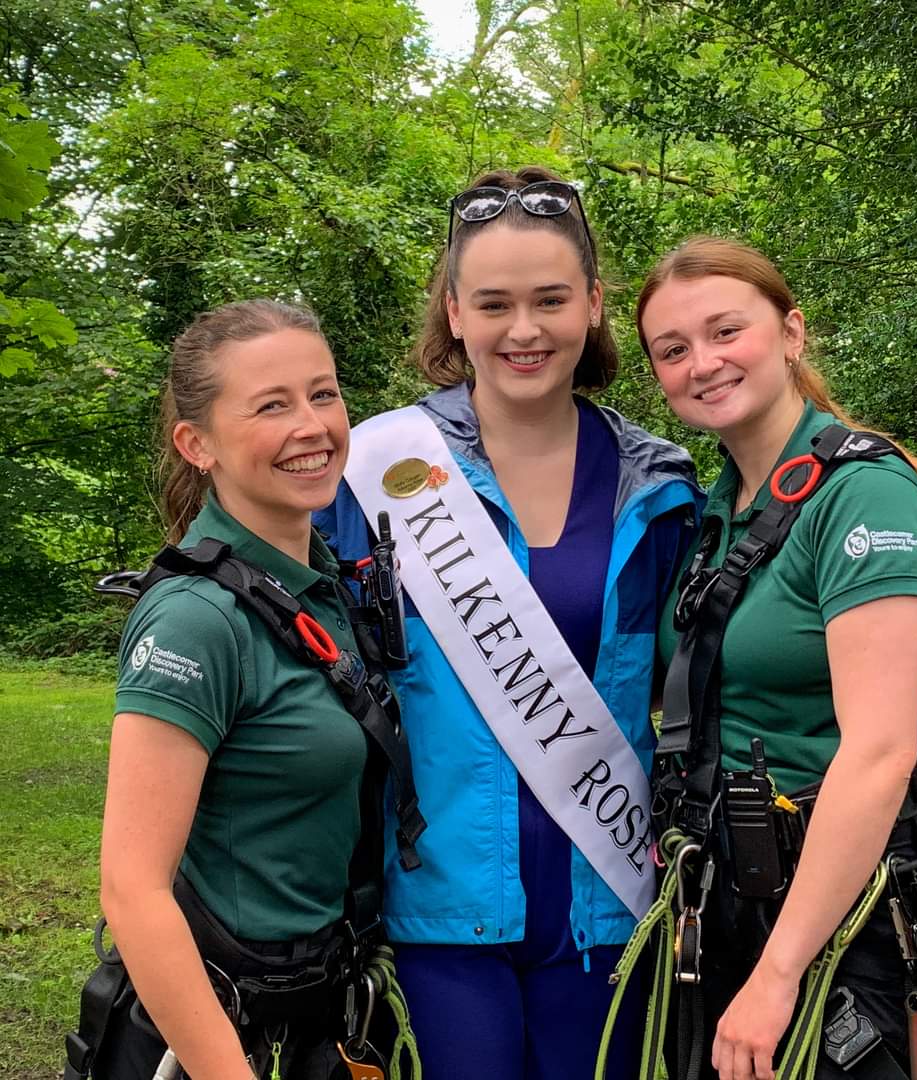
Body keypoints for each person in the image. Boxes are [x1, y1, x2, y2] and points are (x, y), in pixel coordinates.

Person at [314, 166, 702, 1080]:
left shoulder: (664, 489)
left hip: (606, 908)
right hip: (438, 916)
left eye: (551, 300)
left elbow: (714, 670)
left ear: (595, 306)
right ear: (454, 312)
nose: (523, 331)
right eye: (493, 303)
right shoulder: (371, 473)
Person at [638, 237, 917, 1080]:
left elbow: (880, 751)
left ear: (791, 332)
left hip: (829, 915)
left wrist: (780, 972)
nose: (701, 364)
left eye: (725, 332)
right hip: (721, 892)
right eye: (672, 351)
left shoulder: (865, 494)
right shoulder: (714, 510)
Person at [87, 300, 402, 1079]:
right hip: (225, 1036)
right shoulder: (198, 618)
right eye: (272, 405)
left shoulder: (318, 584)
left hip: (323, 1013)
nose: (313, 426)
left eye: (323, 394)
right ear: (198, 444)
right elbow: (133, 891)